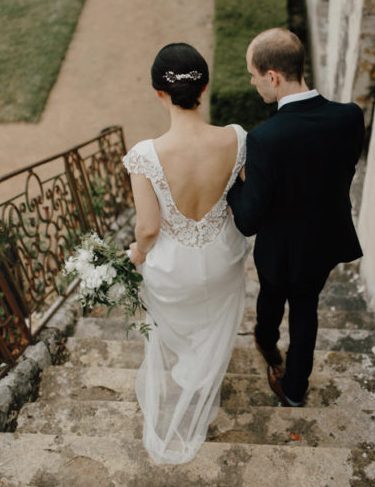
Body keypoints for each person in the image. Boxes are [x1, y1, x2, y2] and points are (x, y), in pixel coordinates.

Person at [123, 43, 249, 464]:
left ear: (158, 92)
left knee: (183, 317)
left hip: (172, 269)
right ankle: (202, 372)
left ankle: (192, 369)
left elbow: (148, 227)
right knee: (212, 316)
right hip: (223, 259)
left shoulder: (145, 155)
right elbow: (247, 198)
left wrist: (138, 253)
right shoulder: (236, 138)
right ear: (206, 87)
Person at [226, 28, 364, 407]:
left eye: (254, 76)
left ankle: (266, 341)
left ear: (273, 76)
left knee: (272, 292)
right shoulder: (350, 117)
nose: (254, 84)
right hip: (325, 240)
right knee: (306, 307)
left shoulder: (265, 139)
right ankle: (294, 388)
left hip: (281, 248)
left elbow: (248, 220)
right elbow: (342, 169)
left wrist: (233, 185)